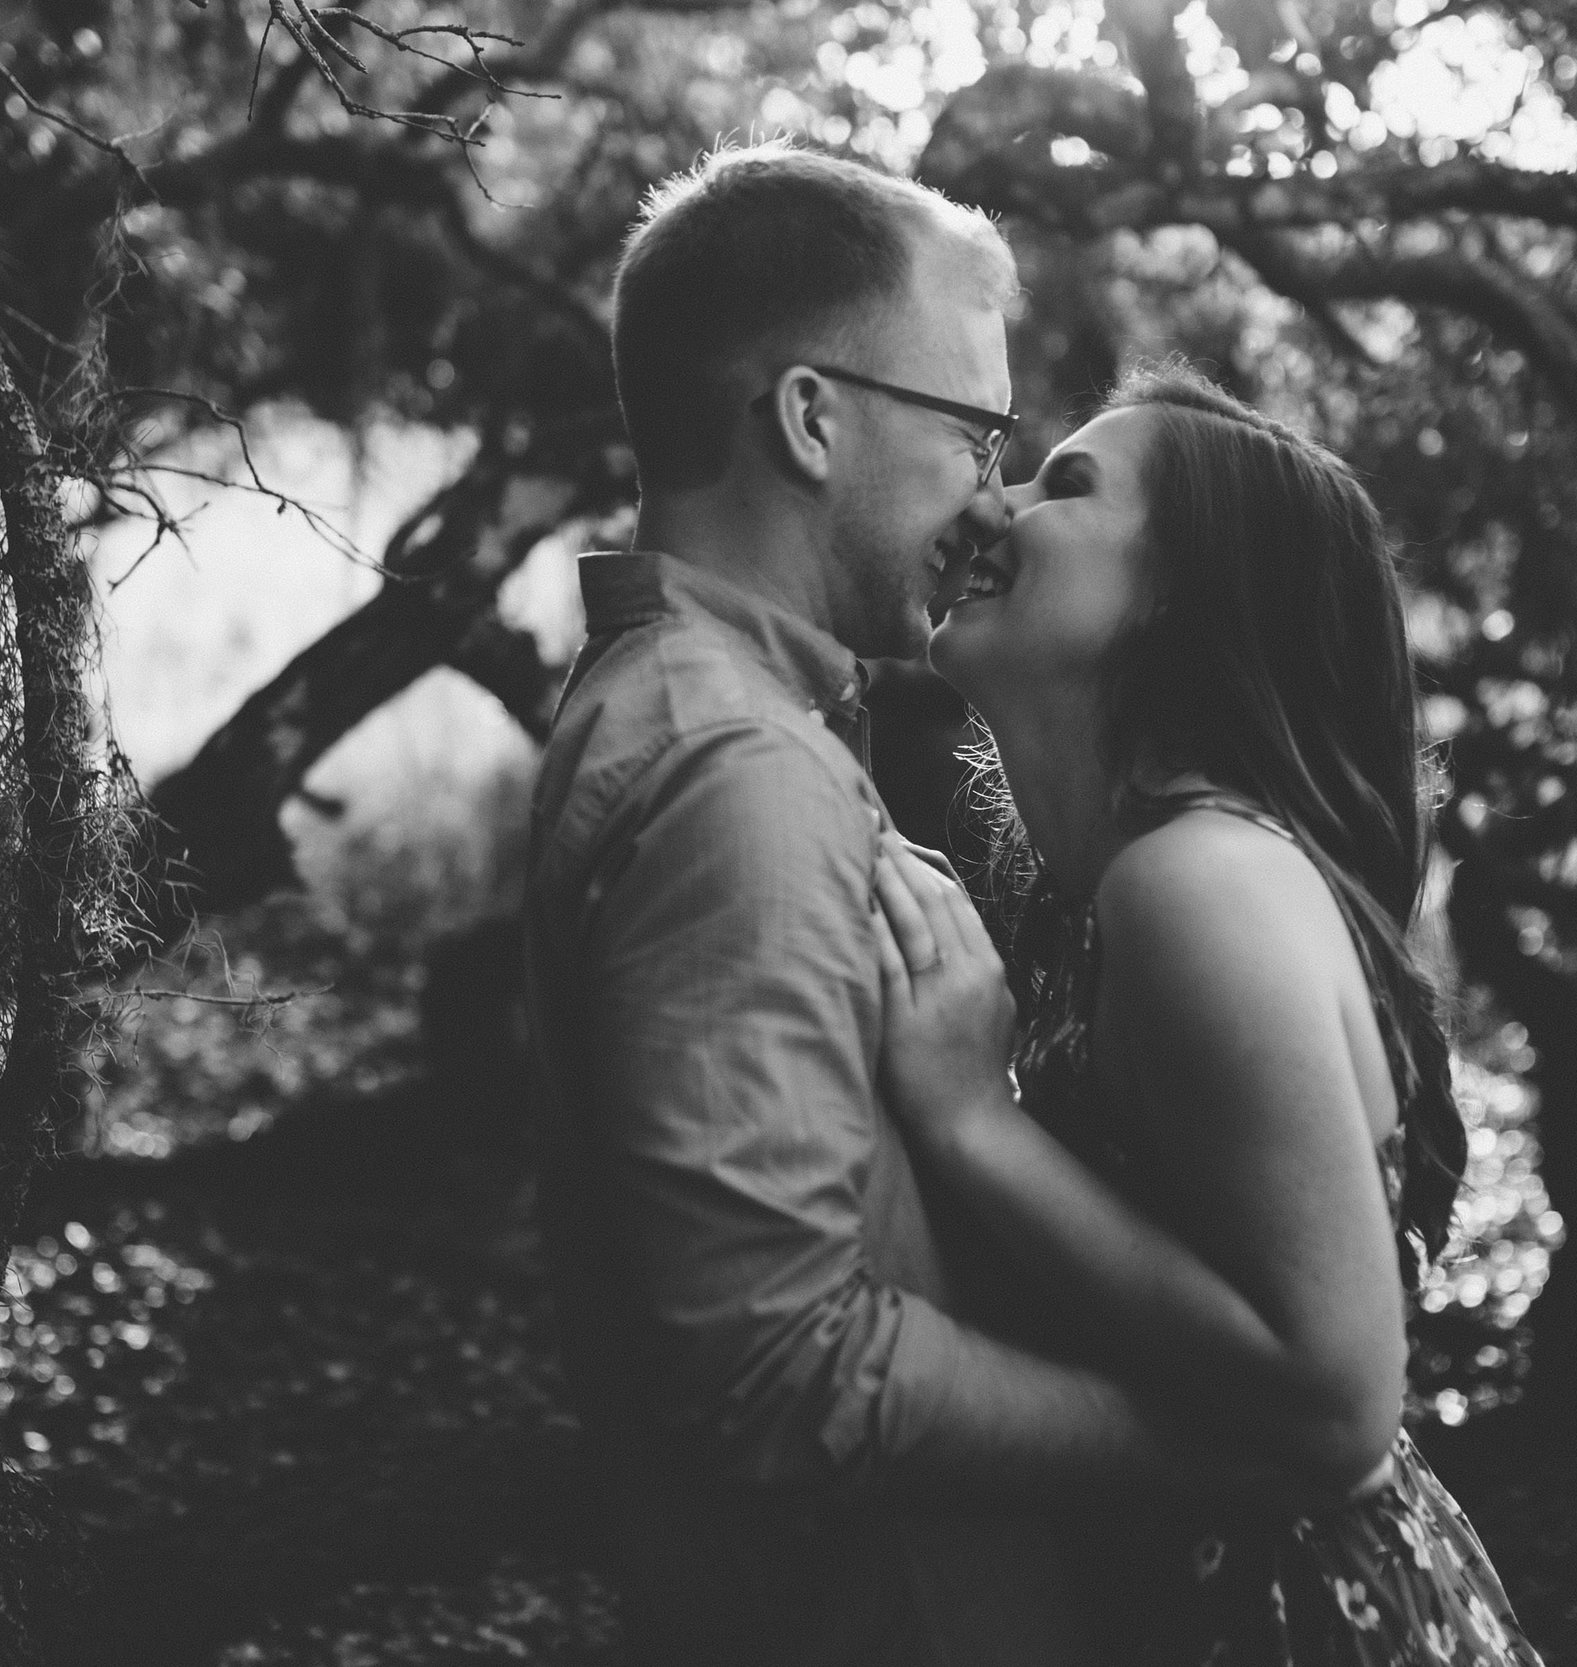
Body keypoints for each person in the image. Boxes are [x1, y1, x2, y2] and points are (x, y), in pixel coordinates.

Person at [524, 145, 1278, 1667]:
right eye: (973, 432)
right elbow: (775, 1364)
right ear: (811, 420)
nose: (991, 495)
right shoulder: (736, 771)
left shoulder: (695, 713)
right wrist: (1191, 1446)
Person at [867, 366, 1547, 1666]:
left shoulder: (1198, 883)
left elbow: (1340, 1409)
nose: (990, 505)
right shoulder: (1127, 889)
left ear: (1185, 598)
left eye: (1065, 486)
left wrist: (969, 1119)